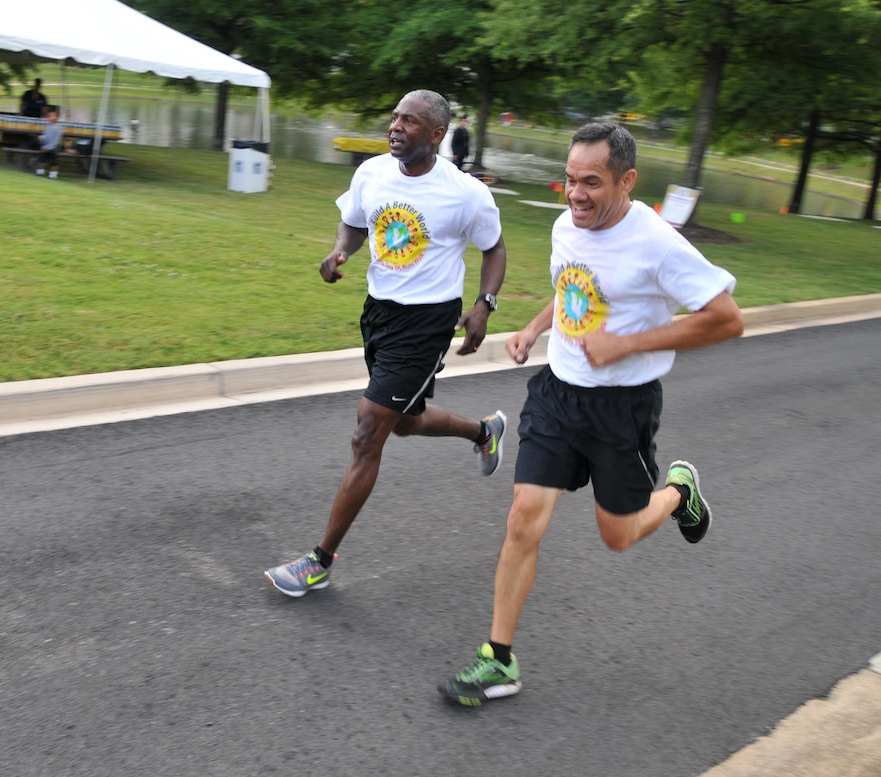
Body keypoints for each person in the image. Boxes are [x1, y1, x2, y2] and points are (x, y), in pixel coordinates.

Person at [438, 122, 745, 706]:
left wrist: (627, 345)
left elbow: (727, 318)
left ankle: (680, 491)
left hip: (622, 407)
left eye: (592, 183)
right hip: (558, 391)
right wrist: (533, 327)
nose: (576, 194)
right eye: (570, 180)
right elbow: (575, 289)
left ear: (627, 181)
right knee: (523, 517)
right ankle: (497, 660)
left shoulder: (656, 241)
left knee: (618, 535)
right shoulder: (566, 225)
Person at [264, 89, 509, 598]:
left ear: (437, 135)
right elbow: (354, 223)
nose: (394, 127)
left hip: (427, 322)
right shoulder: (371, 174)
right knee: (405, 423)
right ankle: (483, 432)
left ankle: (319, 561)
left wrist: (484, 303)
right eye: (394, 117)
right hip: (379, 313)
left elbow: (495, 248)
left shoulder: (465, 193)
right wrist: (339, 252)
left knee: (369, 429)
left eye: (409, 121)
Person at [35, 109, 63, 179]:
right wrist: (42, 141)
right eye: (49, 116)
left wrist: (49, 147)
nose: (50, 118)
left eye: (53, 116)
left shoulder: (58, 128)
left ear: (57, 117)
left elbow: (56, 140)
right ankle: (39, 172)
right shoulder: (48, 126)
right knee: (41, 159)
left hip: (54, 146)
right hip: (45, 145)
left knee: (54, 160)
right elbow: (46, 136)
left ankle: (53, 175)